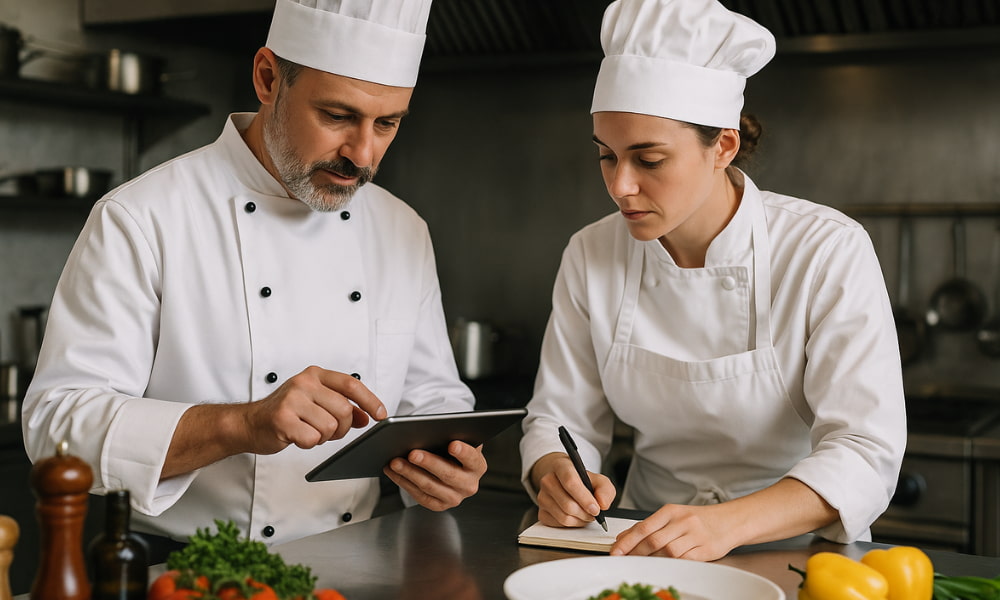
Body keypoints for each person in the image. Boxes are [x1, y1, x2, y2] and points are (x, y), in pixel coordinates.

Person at [22, 0, 486, 553]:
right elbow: (57, 429)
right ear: (268, 78)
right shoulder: (143, 217)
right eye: (337, 116)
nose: (362, 154)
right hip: (188, 570)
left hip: (356, 561)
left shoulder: (402, 228)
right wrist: (240, 426)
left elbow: (429, 397)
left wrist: (448, 460)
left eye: (386, 124)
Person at [519, 0, 906, 562]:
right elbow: (561, 417)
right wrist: (557, 472)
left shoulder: (824, 247)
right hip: (640, 544)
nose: (620, 185)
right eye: (606, 157)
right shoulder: (591, 251)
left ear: (722, 146)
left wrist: (727, 525)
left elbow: (865, 450)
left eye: (648, 160)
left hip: (795, 554)